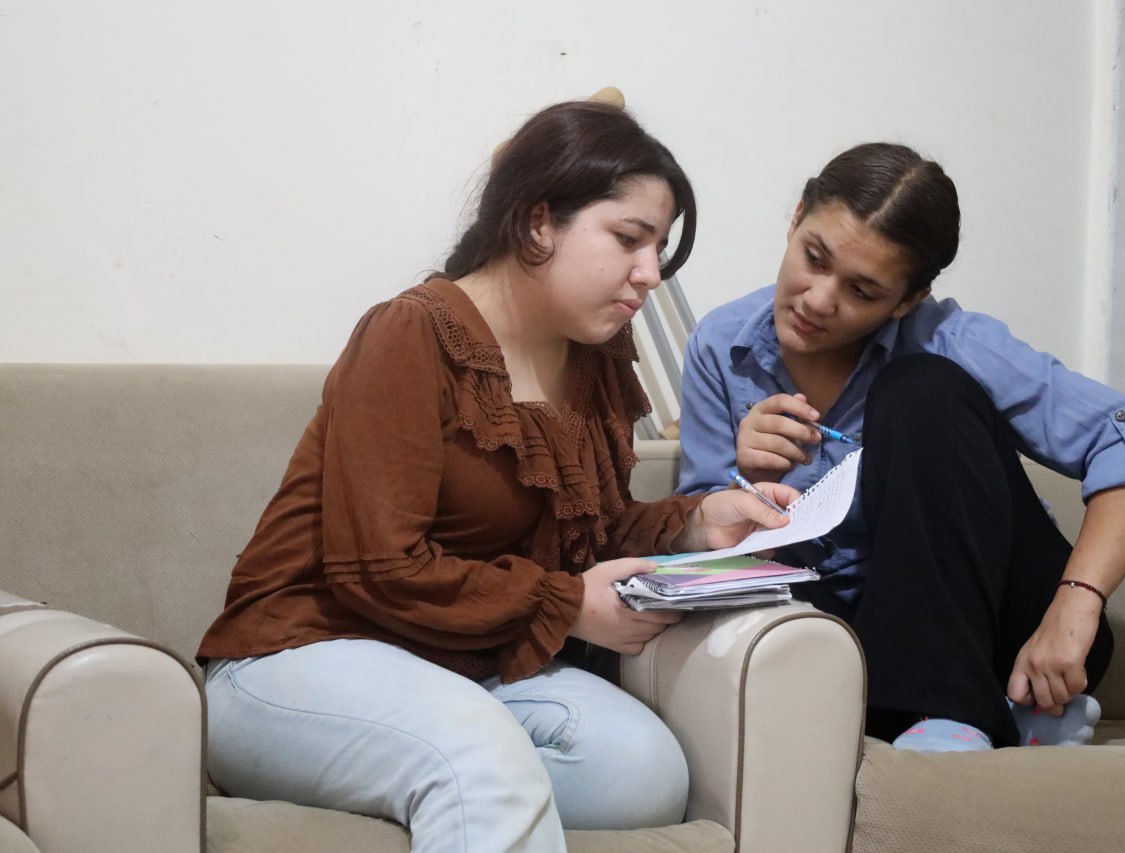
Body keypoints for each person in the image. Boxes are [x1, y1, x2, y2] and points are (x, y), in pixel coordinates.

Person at [196, 99, 798, 853]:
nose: (650, 273)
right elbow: (377, 566)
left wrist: (698, 521)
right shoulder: (411, 332)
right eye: (628, 239)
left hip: (462, 670)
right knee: (479, 753)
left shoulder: (595, 353)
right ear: (539, 222)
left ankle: (430, 791)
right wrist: (567, 605)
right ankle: (448, 778)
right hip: (299, 654)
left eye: (659, 247)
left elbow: (587, 533)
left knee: (640, 771)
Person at [677, 142, 1125, 752]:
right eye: (814, 258)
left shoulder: (950, 339)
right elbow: (696, 548)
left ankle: (954, 713)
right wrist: (746, 483)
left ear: (907, 300)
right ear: (797, 216)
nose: (817, 300)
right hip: (845, 641)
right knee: (769, 617)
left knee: (921, 387)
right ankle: (1001, 720)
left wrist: (1076, 605)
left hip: (1010, 633)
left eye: (862, 291)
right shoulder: (722, 346)